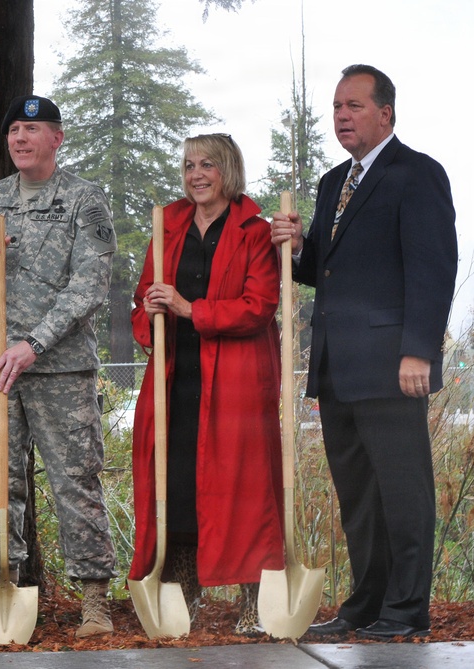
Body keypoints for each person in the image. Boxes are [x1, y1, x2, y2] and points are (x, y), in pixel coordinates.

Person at [271, 64, 457, 641]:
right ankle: (365, 605)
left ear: (386, 113)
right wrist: (298, 248)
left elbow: (433, 268)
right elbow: (322, 270)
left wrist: (419, 353)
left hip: (392, 366)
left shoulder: (417, 174)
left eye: (353, 106)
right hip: (337, 366)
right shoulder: (333, 183)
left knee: (403, 492)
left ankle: (406, 609)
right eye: (336, 107)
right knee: (358, 497)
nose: (342, 117)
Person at [0, 95, 117, 640]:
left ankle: (94, 600)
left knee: (75, 479)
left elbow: (89, 286)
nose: (20, 138)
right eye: (14, 130)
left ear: (57, 138)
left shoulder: (84, 200)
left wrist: (35, 343)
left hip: (59, 367)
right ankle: (2, 590)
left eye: (33, 128)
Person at [128, 134, 284, 635]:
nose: (196, 174)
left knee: (243, 486)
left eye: (208, 165)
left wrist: (189, 309)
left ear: (228, 171)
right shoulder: (167, 227)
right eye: (190, 165)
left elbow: (259, 305)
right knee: (175, 484)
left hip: (236, 380)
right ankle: (183, 600)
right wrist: (150, 311)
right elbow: (143, 302)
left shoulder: (255, 232)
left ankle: (254, 603)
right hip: (177, 378)